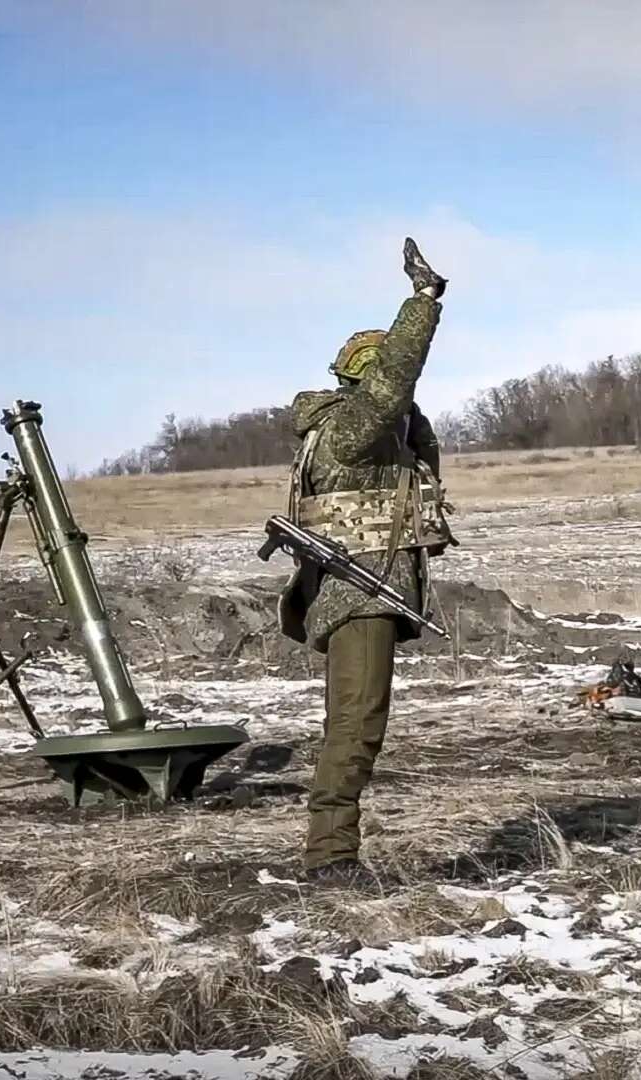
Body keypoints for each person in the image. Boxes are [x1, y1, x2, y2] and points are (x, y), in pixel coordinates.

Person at [275, 238, 450, 883]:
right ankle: (330, 858)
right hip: (359, 596)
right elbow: (391, 385)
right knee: (355, 726)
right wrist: (422, 304)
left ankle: (331, 851)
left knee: (355, 723)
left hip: (365, 593)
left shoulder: (364, 435)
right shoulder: (354, 430)